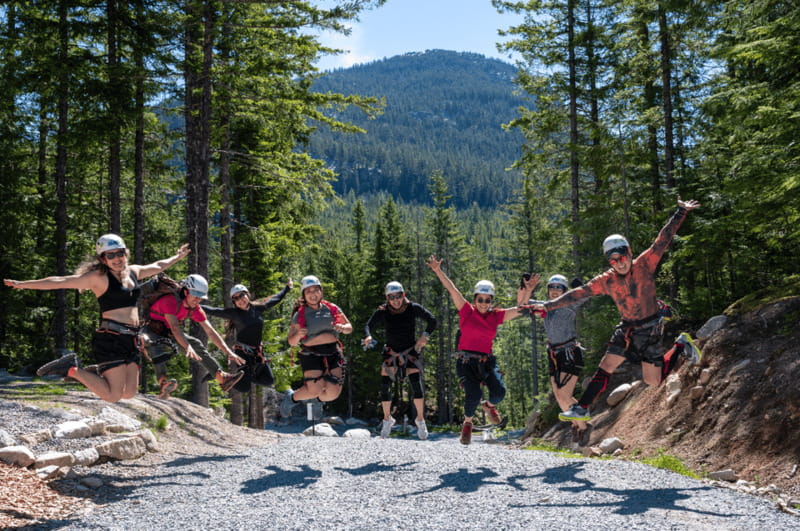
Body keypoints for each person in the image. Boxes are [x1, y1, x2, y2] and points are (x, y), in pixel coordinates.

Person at [531, 198, 703, 423]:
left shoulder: (644, 264)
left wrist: (681, 212)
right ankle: (582, 408)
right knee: (606, 365)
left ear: (629, 253)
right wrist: (548, 305)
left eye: (622, 257)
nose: (619, 263)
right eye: (613, 260)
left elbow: (663, 239)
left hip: (650, 327)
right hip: (626, 328)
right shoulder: (607, 280)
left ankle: (680, 345)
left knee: (654, 381)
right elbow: (579, 293)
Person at [4, 234, 190, 403]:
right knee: (113, 395)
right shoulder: (98, 278)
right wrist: (23, 284)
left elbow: (158, 266)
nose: (117, 259)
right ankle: (71, 369)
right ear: (103, 259)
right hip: (112, 338)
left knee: (129, 393)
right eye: (111, 255)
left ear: (126, 253)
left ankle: (95, 370)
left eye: (120, 253)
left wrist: (177, 257)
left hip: (132, 338)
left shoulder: (134, 271)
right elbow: (60, 281)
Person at [427, 255, 539, 445]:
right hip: (465, 362)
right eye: (481, 299)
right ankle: (468, 422)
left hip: (486, 362)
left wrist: (527, 291)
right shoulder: (466, 311)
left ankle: (489, 407)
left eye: (488, 300)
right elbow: (451, 289)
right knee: (474, 394)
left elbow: (520, 309)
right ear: (475, 298)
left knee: (500, 392)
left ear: (491, 300)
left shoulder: (496, 316)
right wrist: (438, 270)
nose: (484, 303)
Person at [142, 273, 245, 398]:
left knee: (196, 344)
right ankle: (164, 383)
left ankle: (222, 378)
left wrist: (228, 352)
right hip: (149, 330)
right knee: (155, 346)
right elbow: (175, 327)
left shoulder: (195, 308)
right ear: (186, 292)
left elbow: (210, 331)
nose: (197, 300)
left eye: (200, 297)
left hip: (167, 333)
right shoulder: (170, 301)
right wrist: (186, 346)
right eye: (195, 295)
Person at [363, 281, 438, 440]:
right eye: (392, 297)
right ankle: (387, 419)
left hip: (410, 351)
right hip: (391, 352)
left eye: (398, 296)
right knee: (385, 387)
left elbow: (432, 320)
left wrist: (425, 336)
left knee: (416, 385)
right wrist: (368, 336)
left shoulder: (413, 308)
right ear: (387, 298)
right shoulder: (383, 311)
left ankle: (420, 419)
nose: (396, 300)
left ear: (403, 295)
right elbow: (368, 325)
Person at [525, 274, 591, 444]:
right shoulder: (544, 306)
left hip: (570, 352)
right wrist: (527, 289)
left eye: (559, 287)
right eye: (552, 287)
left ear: (564, 290)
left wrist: (580, 289)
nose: (554, 290)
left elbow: (587, 294)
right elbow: (523, 304)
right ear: (548, 290)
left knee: (564, 393)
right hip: (554, 354)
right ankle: (577, 425)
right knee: (559, 396)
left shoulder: (570, 302)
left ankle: (584, 426)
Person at [201, 279, 293, 393]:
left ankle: (236, 377)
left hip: (257, 352)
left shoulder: (258, 308)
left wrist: (287, 288)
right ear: (234, 302)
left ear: (247, 295)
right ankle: (218, 375)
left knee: (268, 381)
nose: (240, 300)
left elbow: (275, 299)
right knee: (244, 388)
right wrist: (194, 305)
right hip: (243, 353)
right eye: (236, 298)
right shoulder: (234, 314)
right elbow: (214, 310)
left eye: (241, 295)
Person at [281, 275, 353, 418]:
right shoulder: (300, 314)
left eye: (315, 290)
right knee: (314, 390)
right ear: (304, 295)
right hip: (311, 354)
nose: (313, 294)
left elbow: (349, 327)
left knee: (332, 394)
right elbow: (291, 341)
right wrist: (298, 335)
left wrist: (343, 328)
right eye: (308, 292)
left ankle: (316, 402)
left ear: (321, 291)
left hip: (333, 352)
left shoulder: (332, 308)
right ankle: (291, 398)